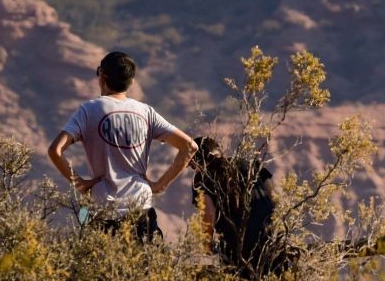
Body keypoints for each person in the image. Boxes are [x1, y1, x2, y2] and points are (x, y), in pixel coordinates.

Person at [47, 51, 198, 241]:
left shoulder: (89, 110)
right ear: (131, 82)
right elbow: (190, 146)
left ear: (102, 77)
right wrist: (160, 185)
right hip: (141, 207)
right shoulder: (146, 112)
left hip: (104, 208)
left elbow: (55, 150)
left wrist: (79, 182)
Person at [189, 136, 283, 277]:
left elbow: (208, 215)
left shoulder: (202, 179)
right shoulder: (253, 165)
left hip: (238, 251)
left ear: (198, 161)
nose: (192, 168)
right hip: (271, 244)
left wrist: (206, 251)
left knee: (189, 262)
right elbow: (276, 197)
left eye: (191, 165)